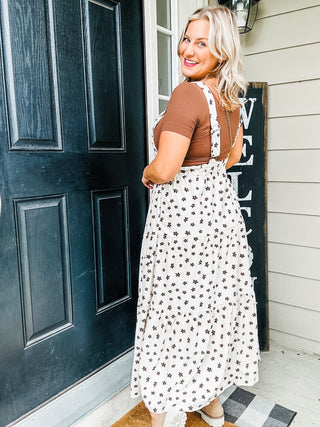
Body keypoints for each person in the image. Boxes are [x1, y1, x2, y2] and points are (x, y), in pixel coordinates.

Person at [130, 5, 261, 427]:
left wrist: (148, 173)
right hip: (218, 220)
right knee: (208, 312)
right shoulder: (230, 99)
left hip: (182, 225)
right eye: (186, 38)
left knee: (172, 316)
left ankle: (166, 413)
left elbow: (166, 168)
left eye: (201, 42)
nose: (187, 48)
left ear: (220, 50)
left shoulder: (188, 93)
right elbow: (231, 157)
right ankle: (210, 402)